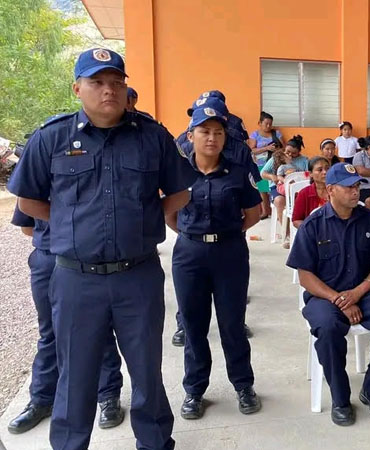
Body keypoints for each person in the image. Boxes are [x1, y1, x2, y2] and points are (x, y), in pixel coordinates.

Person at [8, 48, 197, 449]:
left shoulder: (153, 136)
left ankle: (155, 443)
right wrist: (67, 226)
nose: (107, 90)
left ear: (126, 88)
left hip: (138, 277)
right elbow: (28, 202)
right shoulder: (51, 137)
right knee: (75, 377)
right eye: (96, 82)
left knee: (147, 372)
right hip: (76, 280)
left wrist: (147, 220)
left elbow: (180, 192)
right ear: (78, 88)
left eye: (116, 82)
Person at [286, 163, 370, 426]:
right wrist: (338, 299)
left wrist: (358, 292)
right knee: (328, 326)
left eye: (357, 186)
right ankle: (340, 398)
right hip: (324, 296)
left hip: (364, 290)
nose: (355, 192)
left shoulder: (369, 220)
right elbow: (305, 276)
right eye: (348, 187)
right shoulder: (313, 225)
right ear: (330, 190)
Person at [166, 106, 262, 420]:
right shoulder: (178, 172)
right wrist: (194, 236)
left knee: (232, 325)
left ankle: (244, 386)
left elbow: (253, 212)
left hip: (230, 254)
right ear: (190, 135)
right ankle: (194, 391)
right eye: (204, 131)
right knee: (193, 326)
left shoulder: (238, 169)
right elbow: (169, 215)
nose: (212, 138)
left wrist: (226, 235)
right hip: (189, 256)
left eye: (218, 132)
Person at [7, 206, 125, 434]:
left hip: (84, 260)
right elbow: (26, 225)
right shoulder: (37, 173)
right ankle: (42, 398)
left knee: (97, 328)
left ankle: (108, 395)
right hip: (47, 259)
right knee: (49, 331)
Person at [247, 111, 282, 219]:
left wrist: (276, 149)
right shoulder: (255, 135)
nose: (268, 126)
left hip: (273, 165)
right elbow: (251, 150)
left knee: (273, 187)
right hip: (260, 164)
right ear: (260, 123)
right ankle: (265, 211)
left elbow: (284, 148)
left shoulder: (276, 134)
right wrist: (266, 148)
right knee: (262, 189)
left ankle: (276, 211)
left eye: (270, 124)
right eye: (266, 123)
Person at [291, 157, 331, 228]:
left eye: (327, 168)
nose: (325, 172)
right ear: (310, 174)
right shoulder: (304, 193)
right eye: (320, 170)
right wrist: (311, 229)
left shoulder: (337, 190)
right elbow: (296, 220)